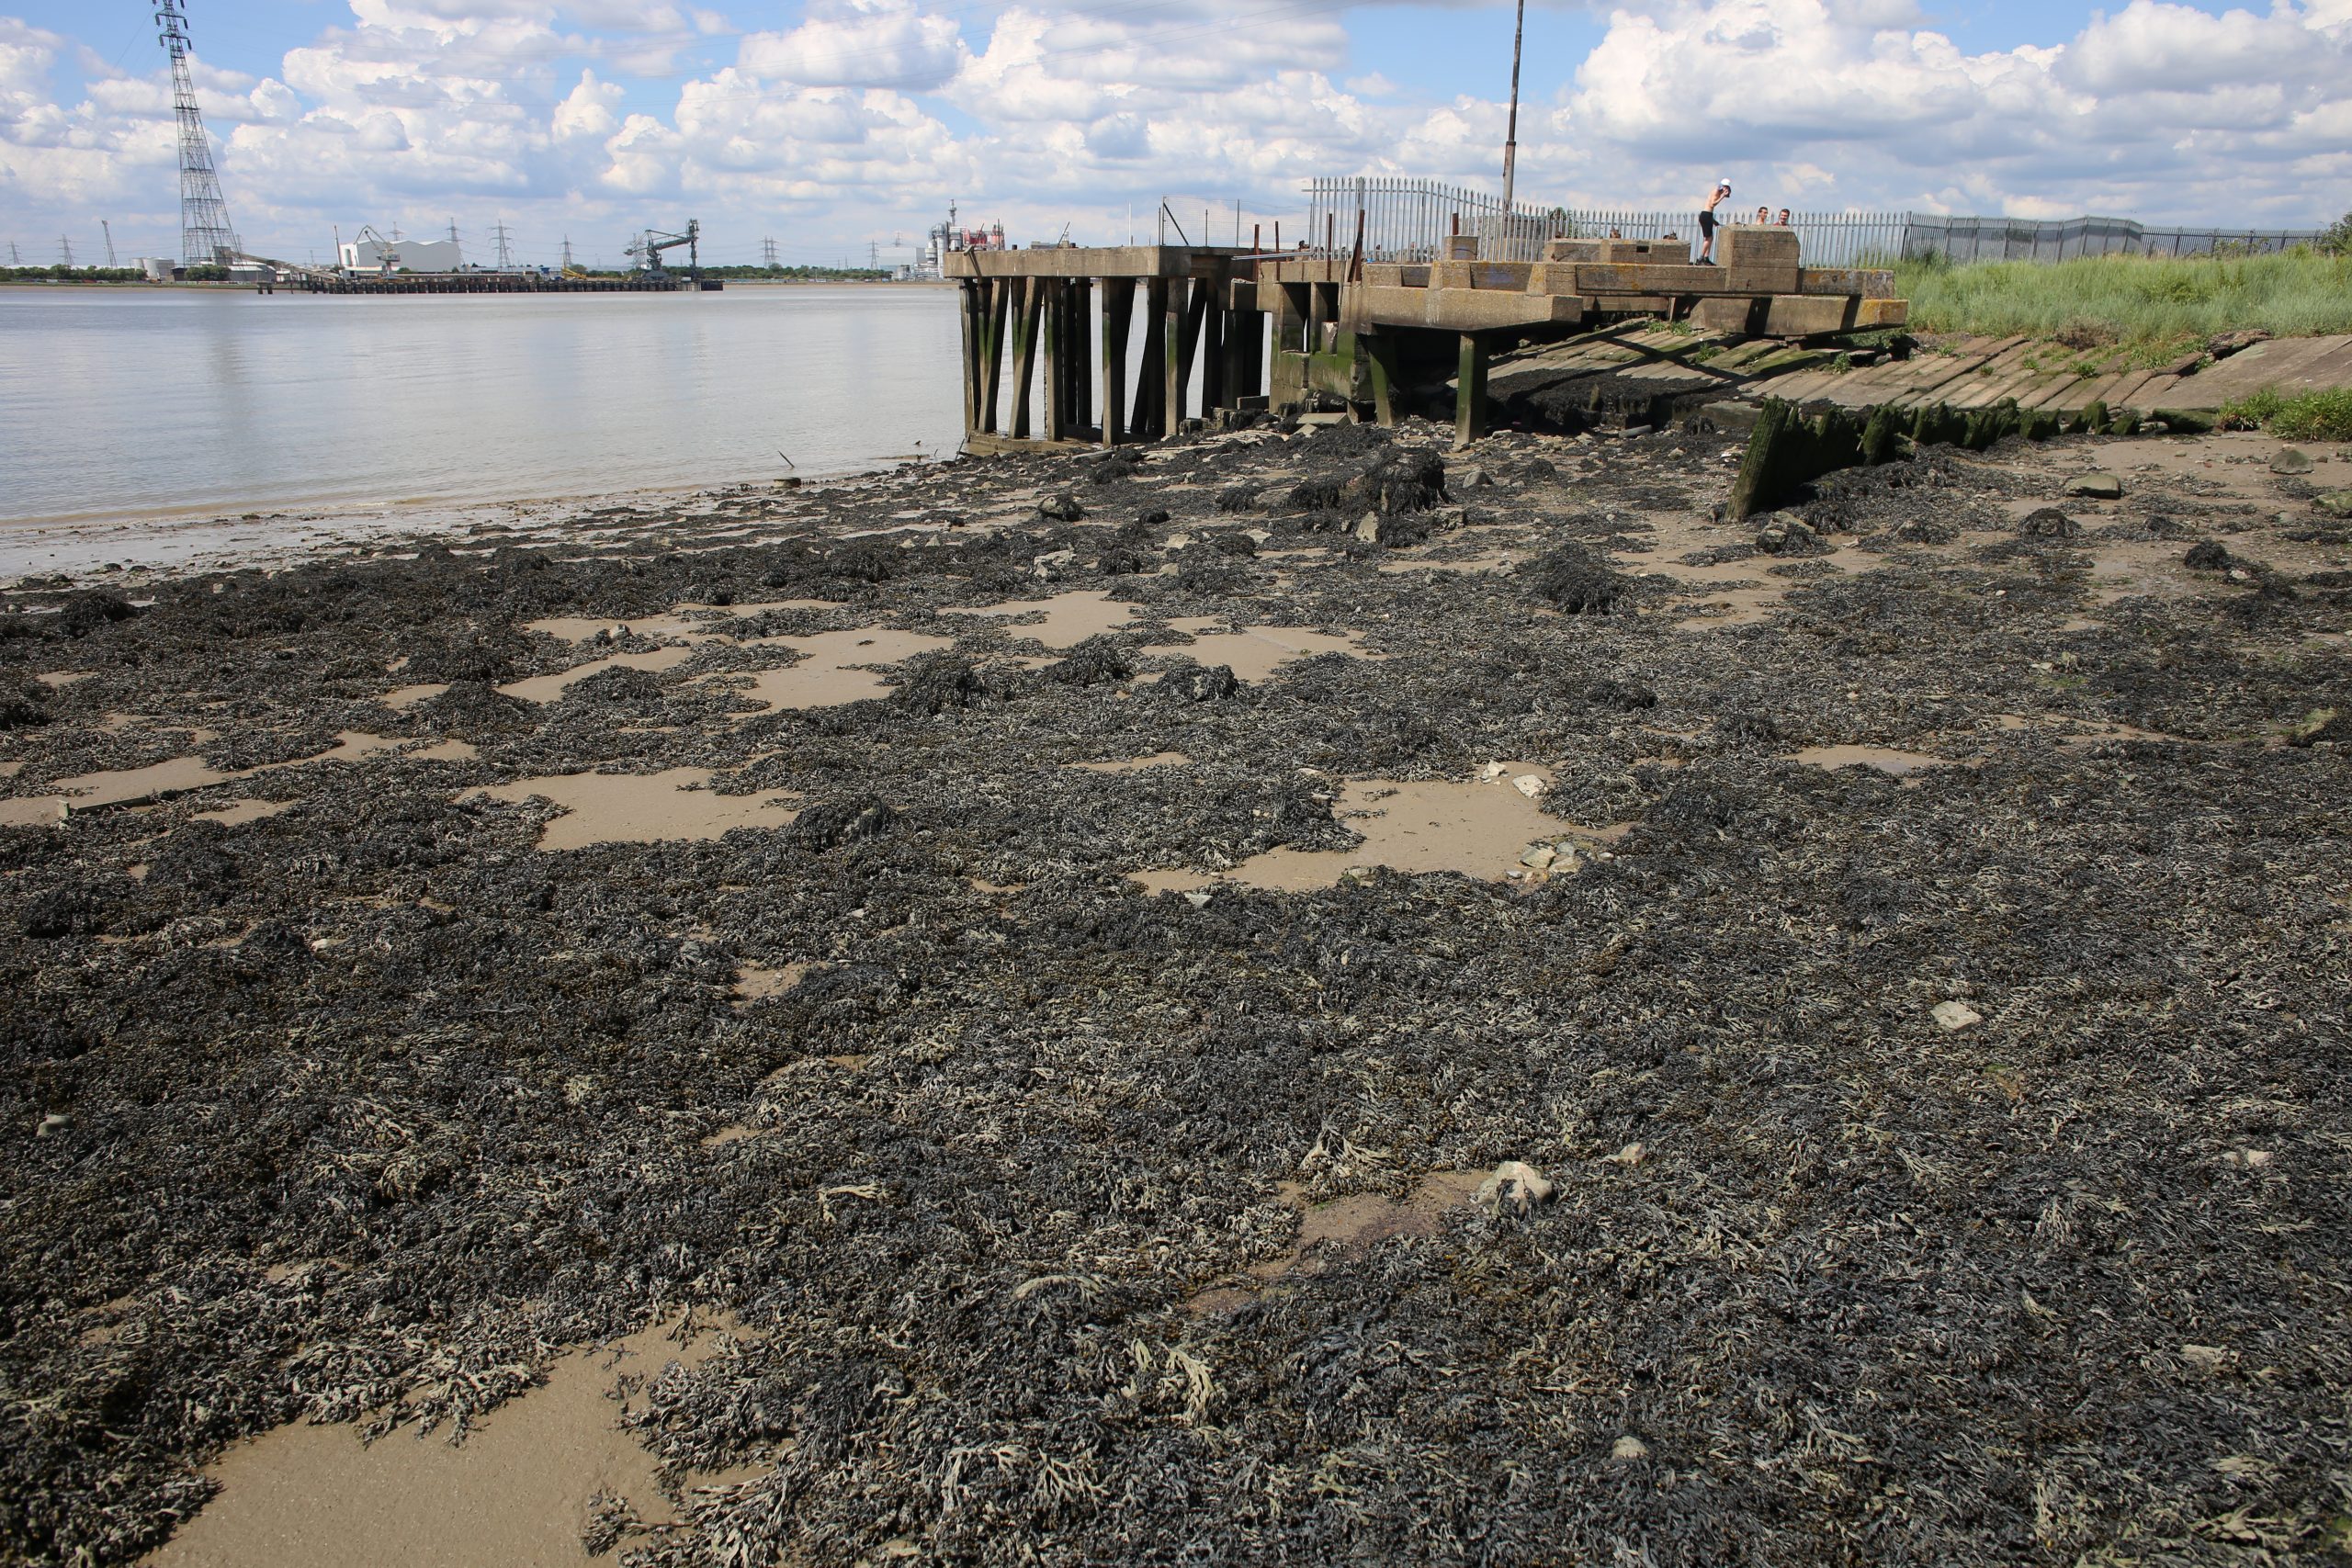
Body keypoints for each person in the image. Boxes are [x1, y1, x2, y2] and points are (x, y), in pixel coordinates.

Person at [1698, 179, 1730, 263]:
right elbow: (1712, 204)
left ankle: (1706, 257)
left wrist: (1713, 220)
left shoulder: (1717, 191)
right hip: (1706, 215)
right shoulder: (1716, 191)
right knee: (1709, 238)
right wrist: (1722, 196)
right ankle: (1700, 258)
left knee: (1710, 238)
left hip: (1707, 215)